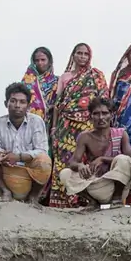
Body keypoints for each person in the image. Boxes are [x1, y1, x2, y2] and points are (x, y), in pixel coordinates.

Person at [48, 43, 109, 208]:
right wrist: (54, 128)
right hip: (65, 126)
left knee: (84, 160)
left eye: (85, 54)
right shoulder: (65, 77)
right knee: (64, 161)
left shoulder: (96, 75)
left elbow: (103, 100)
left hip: (88, 125)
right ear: (73, 55)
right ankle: (61, 201)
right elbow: (58, 105)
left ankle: (84, 199)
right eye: (79, 53)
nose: (82, 57)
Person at [0, 82, 53, 204]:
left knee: (44, 160)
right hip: (8, 175)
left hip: (29, 176)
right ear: (6, 103)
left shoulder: (36, 122)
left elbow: (41, 150)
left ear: (28, 106)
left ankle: (33, 198)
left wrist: (18, 156)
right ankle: (5, 192)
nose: (17, 105)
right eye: (13, 101)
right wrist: (3, 155)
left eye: (22, 102)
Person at [59, 98, 131, 209]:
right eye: (96, 114)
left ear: (111, 115)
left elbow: (130, 159)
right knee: (65, 173)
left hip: (117, 185)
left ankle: (117, 200)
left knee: (123, 159)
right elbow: (73, 162)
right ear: (91, 117)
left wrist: (103, 159)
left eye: (104, 113)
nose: (101, 118)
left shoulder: (121, 134)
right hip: (94, 183)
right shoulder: (85, 137)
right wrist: (80, 166)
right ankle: (93, 202)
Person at [21, 47, 58, 131]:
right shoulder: (27, 81)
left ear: (49, 62)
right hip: (29, 124)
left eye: (43, 60)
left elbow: (59, 102)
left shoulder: (57, 81)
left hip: (51, 123)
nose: (40, 63)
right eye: (37, 60)